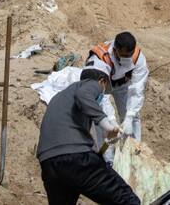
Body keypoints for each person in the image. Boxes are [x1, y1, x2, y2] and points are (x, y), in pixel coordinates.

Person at [36, 67, 139, 205]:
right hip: (74, 158)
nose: (102, 95)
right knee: (125, 198)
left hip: (49, 164)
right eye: (104, 90)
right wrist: (107, 125)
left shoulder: (60, 98)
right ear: (102, 81)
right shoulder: (89, 84)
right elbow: (84, 95)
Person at [84, 31, 148, 154]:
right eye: (123, 56)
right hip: (103, 86)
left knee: (132, 117)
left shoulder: (138, 57)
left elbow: (137, 90)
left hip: (122, 84)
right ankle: (104, 156)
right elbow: (100, 95)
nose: (127, 59)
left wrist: (129, 116)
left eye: (129, 55)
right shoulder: (99, 58)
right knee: (101, 120)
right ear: (115, 49)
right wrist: (111, 119)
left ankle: (134, 150)